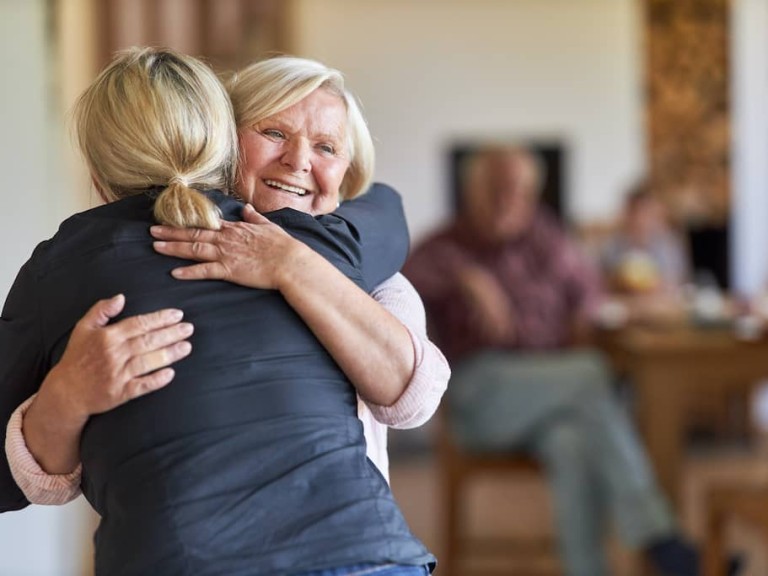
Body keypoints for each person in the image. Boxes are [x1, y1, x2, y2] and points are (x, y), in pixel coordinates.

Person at [0, 47, 438, 575]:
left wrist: (292, 266)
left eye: (326, 146)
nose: (299, 160)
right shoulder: (341, 242)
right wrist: (66, 396)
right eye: (274, 132)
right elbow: (389, 209)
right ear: (223, 143)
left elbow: (413, 400)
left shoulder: (345, 258)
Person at [403, 146, 715, 576]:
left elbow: (590, 294)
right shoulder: (444, 246)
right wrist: (466, 277)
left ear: (532, 195)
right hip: (481, 397)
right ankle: (659, 538)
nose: (505, 201)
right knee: (591, 374)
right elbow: (400, 281)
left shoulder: (546, 237)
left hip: (552, 393)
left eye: (516, 191)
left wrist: (611, 309)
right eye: (494, 189)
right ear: (470, 191)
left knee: (570, 443)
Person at [602, 181, 690, 299]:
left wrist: (656, 286)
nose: (640, 220)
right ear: (627, 215)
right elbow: (602, 283)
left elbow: (678, 282)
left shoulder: (668, 245)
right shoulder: (613, 247)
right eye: (635, 213)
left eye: (646, 213)